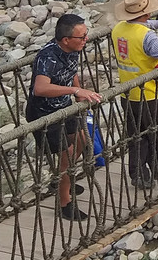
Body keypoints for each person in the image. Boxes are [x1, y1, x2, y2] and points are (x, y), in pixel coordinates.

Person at [26, 14, 102, 220]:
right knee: (67, 155)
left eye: (86, 35)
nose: (86, 40)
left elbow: (71, 71)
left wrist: (78, 91)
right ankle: (64, 202)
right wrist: (74, 91)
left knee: (81, 142)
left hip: (65, 107)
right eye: (82, 37)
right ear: (66, 40)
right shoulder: (48, 56)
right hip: (45, 115)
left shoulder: (73, 49)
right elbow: (40, 88)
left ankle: (60, 180)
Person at [111, 0, 158, 189]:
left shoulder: (118, 29)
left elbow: (141, 26)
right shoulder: (147, 38)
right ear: (147, 13)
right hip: (150, 92)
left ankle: (142, 171)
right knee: (157, 130)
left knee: (136, 134)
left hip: (128, 91)